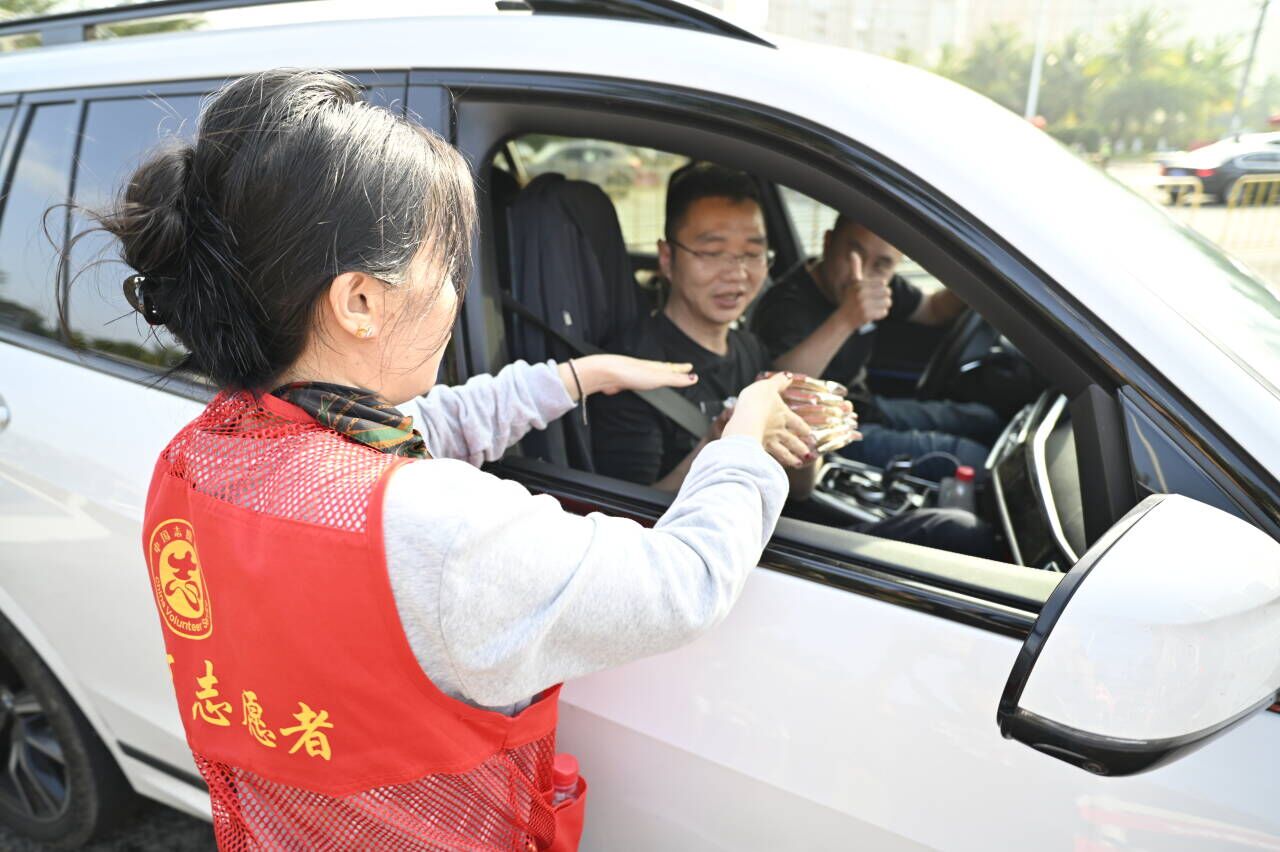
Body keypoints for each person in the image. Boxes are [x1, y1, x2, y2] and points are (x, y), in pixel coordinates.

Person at [63, 70, 806, 851]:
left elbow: (406, 427)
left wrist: (574, 378)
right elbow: (680, 583)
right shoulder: (442, 528)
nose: (455, 294)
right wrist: (744, 440)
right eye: (443, 265)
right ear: (360, 302)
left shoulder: (199, 457)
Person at [591, 164, 994, 557]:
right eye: (712, 253)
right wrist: (718, 445)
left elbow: (799, 490)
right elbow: (630, 524)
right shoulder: (631, 372)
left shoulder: (748, 348)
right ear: (666, 258)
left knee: (959, 528)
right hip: (718, 559)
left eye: (752, 254)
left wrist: (808, 439)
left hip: (776, 530)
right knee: (959, 532)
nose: (737, 273)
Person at [752, 214, 1003, 481]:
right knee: (970, 457)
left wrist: (977, 280)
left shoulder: (878, 282)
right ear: (827, 243)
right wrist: (848, 318)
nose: (861, 272)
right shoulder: (785, 306)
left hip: (864, 405)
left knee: (985, 419)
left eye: (882, 265)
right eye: (852, 254)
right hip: (828, 433)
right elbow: (778, 383)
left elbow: (932, 310)